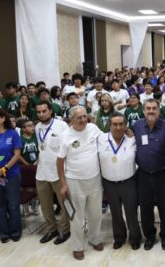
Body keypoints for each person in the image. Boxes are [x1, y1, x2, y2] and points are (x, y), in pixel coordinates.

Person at [57, 106, 104, 260]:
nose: (83, 120)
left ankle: (94, 239)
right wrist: (63, 184)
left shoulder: (93, 128)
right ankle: (77, 246)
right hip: (74, 181)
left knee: (96, 213)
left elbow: (106, 140)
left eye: (84, 116)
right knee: (77, 217)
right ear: (71, 120)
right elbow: (59, 162)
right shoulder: (65, 136)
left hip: (95, 178)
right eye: (79, 117)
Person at [134, 99, 165, 251]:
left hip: (163, 174)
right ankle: (150, 236)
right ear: (143, 111)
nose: (151, 111)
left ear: (159, 110)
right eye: (148, 108)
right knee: (145, 207)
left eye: (154, 108)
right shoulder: (137, 126)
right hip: (143, 174)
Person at [98, 113, 141, 250]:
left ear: (126, 126)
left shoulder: (132, 140)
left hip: (128, 182)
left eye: (121, 124)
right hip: (109, 183)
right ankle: (119, 237)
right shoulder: (100, 139)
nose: (118, 127)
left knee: (131, 212)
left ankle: (135, 237)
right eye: (115, 124)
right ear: (109, 125)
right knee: (115, 213)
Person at [35, 101, 71, 245]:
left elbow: (67, 148)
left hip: (58, 172)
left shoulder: (61, 126)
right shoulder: (37, 127)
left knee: (63, 204)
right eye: (38, 112)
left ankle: (65, 230)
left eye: (44, 111)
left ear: (50, 111)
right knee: (45, 205)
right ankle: (52, 229)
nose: (41, 114)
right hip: (42, 173)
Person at [0, 108, 22, 243]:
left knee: (13, 205)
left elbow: (17, 154)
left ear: (3, 118)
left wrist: (3, 170)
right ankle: (4, 231)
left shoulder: (12, 134)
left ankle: (15, 230)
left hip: (11, 174)